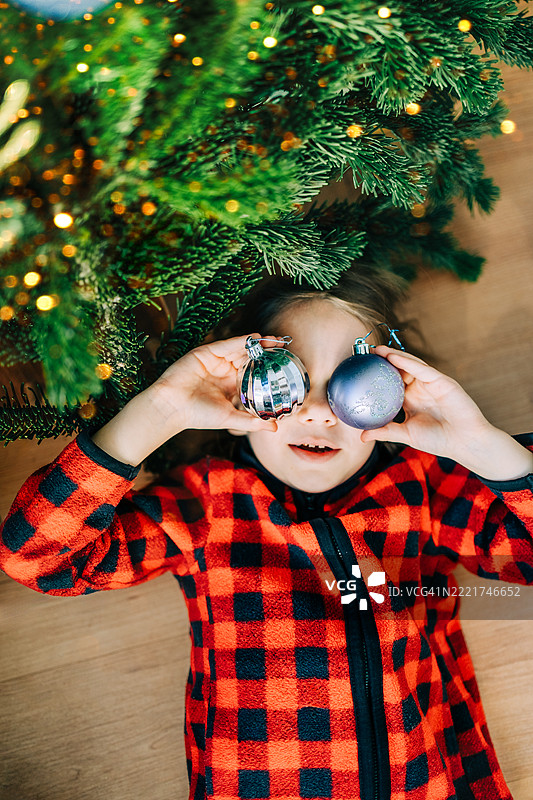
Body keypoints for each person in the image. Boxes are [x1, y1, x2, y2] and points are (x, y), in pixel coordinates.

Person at [1, 267, 532, 800]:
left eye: (356, 385)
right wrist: (161, 410)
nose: (320, 413)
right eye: (285, 381)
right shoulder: (207, 505)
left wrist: (479, 443)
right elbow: (38, 556)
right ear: (239, 395)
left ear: (396, 396)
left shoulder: (424, 492)